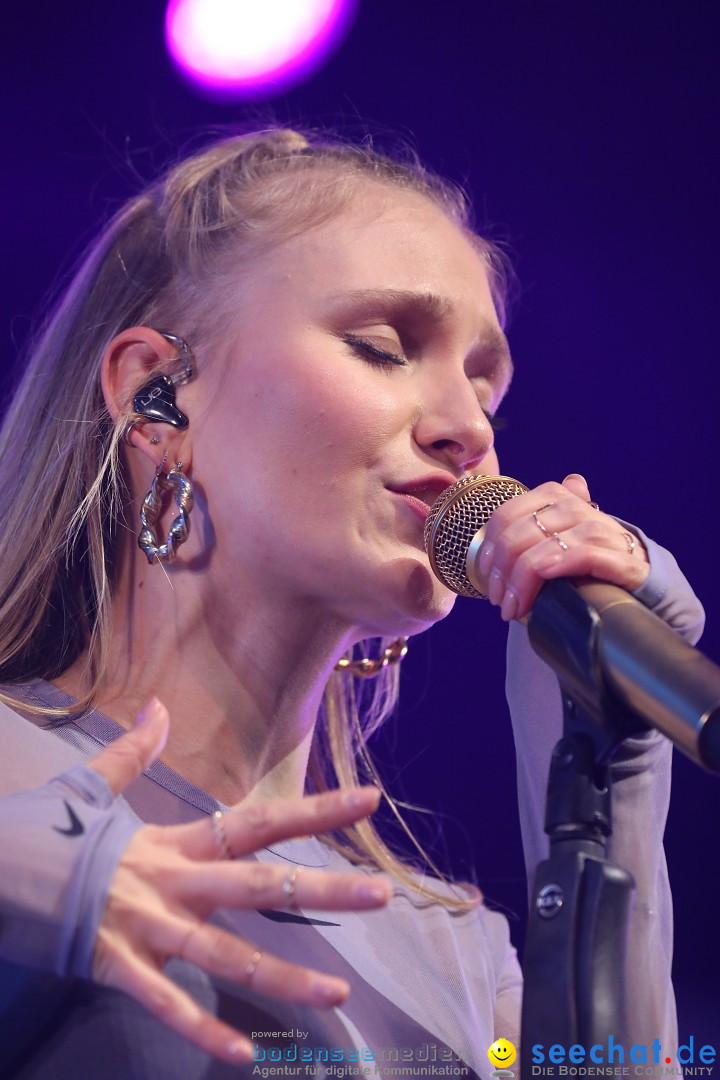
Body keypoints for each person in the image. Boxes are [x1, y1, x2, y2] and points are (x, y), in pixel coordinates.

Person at [0, 128, 704, 1078]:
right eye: (381, 348)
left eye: (484, 385)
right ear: (157, 396)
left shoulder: (458, 952)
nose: (468, 430)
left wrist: (609, 750)